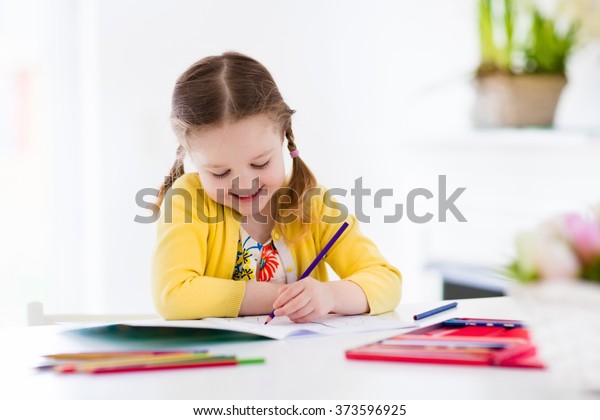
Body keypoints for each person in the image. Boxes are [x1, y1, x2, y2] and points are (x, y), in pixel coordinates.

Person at [151, 51, 401, 323]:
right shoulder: (187, 201)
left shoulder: (312, 202)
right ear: (189, 155)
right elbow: (173, 296)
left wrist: (331, 296)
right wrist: (285, 297)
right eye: (220, 173)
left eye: (260, 164)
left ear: (283, 136)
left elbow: (386, 281)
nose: (244, 184)